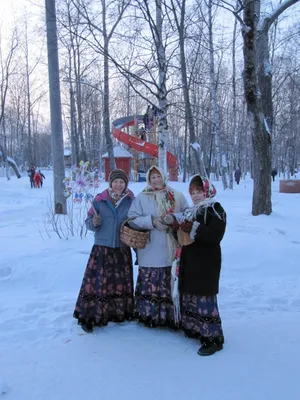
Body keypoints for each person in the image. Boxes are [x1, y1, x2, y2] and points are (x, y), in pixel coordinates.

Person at [169, 175, 226, 356]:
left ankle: (213, 339)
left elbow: (215, 236)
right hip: (190, 260)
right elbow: (184, 236)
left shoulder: (215, 209)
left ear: (207, 191)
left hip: (206, 261)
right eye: (192, 192)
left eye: (199, 191)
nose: (195, 195)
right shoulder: (191, 210)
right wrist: (175, 227)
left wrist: (193, 227)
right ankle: (196, 330)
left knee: (204, 297)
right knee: (192, 295)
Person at [73, 169, 135, 333]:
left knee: (118, 284)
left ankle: (117, 313)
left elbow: (135, 222)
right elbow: (88, 223)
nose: (118, 185)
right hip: (102, 250)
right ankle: (92, 315)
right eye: (115, 182)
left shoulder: (130, 201)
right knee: (99, 284)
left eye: (121, 182)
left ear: (125, 184)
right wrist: (94, 222)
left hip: (121, 249)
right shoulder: (99, 200)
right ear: (110, 183)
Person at [127, 165, 188, 328]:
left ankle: (170, 317)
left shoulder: (176, 195)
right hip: (150, 246)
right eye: (152, 177)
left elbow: (187, 214)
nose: (156, 180)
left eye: (158, 176)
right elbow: (132, 218)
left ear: (163, 177)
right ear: (148, 179)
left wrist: (173, 219)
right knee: (151, 279)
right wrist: (151, 222)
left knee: (170, 278)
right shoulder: (141, 197)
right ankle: (149, 315)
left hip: (171, 246)